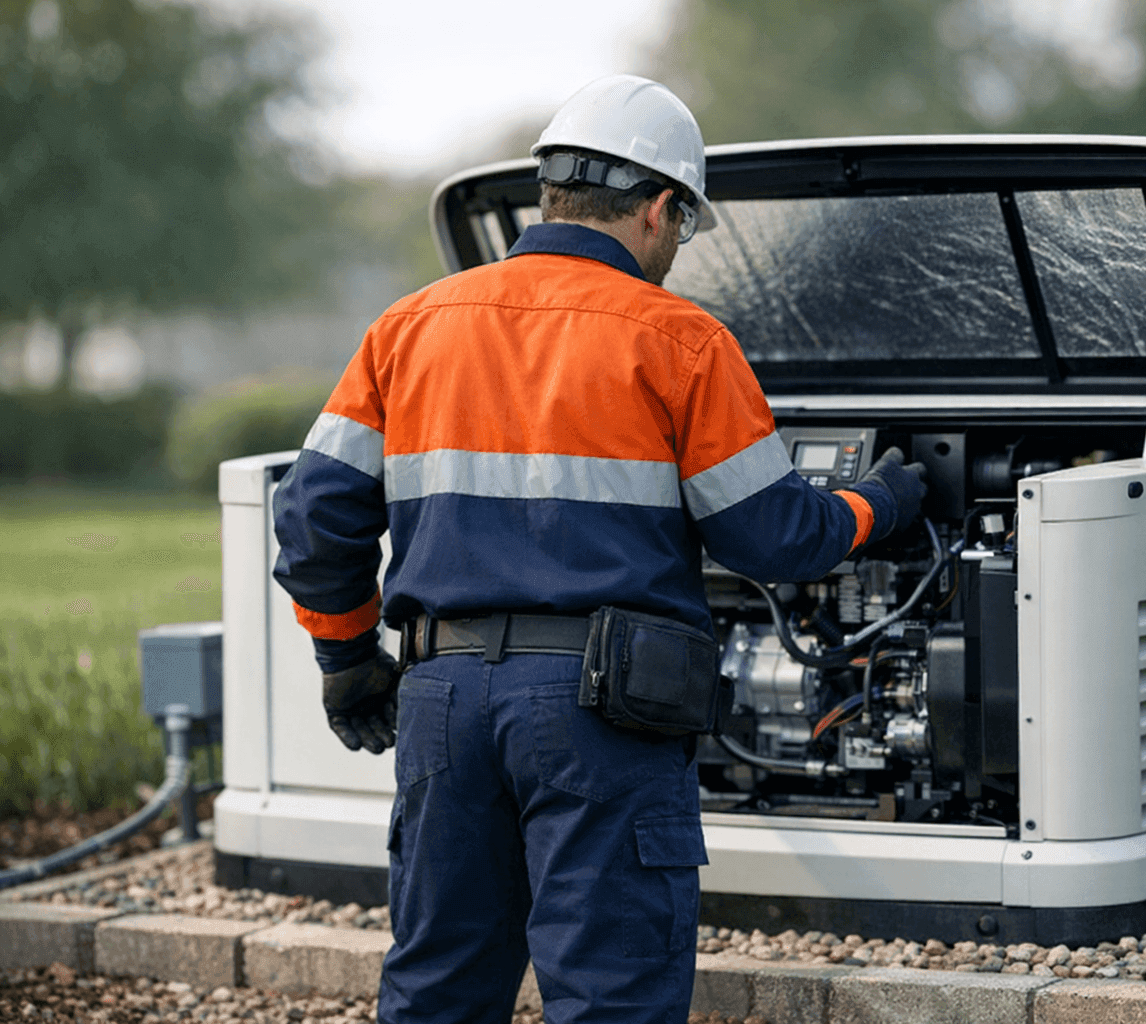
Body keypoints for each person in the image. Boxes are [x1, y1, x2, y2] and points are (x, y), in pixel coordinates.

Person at [270, 74, 926, 1024]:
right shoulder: (681, 343)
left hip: (440, 704)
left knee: (437, 987)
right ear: (661, 210)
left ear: (552, 193)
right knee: (611, 993)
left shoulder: (407, 327)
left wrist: (345, 659)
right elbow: (777, 537)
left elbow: (313, 514)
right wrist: (882, 503)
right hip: (602, 715)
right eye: (684, 230)